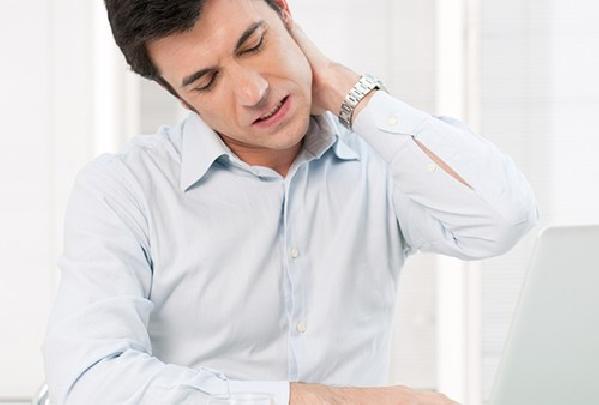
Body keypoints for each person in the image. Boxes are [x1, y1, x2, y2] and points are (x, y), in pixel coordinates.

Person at [43, 0, 540, 403]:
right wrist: (330, 402)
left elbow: (503, 219)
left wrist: (346, 89)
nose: (253, 92)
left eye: (254, 45)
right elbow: (88, 383)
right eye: (206, 82)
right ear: (180, 97)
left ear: (285, 15)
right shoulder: (125, 189)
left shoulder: (379, 155)